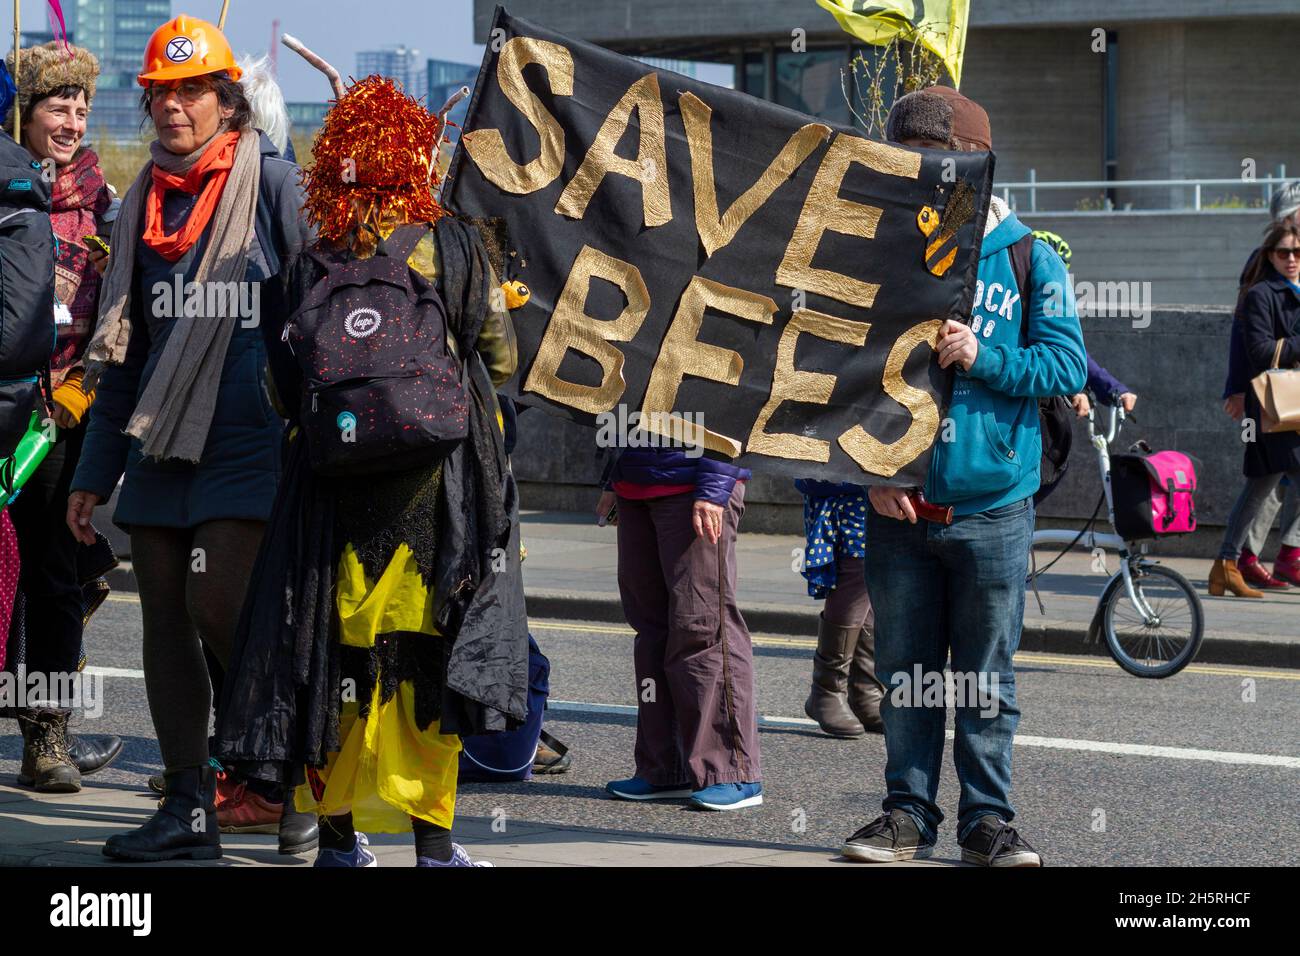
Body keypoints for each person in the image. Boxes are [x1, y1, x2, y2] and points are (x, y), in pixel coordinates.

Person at [212, 74, 528, 867]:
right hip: (439, 501)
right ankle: (435, 849)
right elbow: (500, 361)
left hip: (330, 506)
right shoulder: (453, 244)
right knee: (425, 663)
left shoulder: (308, 261)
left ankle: (341, 845)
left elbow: (279, 388)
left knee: (337, 665)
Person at [65, 14, 313, 861]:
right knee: (162, 613)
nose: (173, 108)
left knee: (222, 601)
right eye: (160, 95)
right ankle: (188, 807)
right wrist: (94, 476)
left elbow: (319, 319)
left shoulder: (275, 185)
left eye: (192, 91)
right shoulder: (140, 206)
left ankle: (284, 773)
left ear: (227, 101)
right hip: (159, 440)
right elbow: (121, 353)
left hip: (252, 437)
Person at [843, 85, 1085, 866]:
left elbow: (1066, 363)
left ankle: (988, 823)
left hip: (991, 510)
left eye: (940, 163)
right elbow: (834, 376)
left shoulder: (1028, 254)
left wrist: (986, 357)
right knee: (905, 678)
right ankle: (906, 817)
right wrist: (864, 474)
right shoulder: (877, 247)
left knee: (985, 682)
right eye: (912, 161)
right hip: (898, 510)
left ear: (979, 165)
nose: (925, 176)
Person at [2, 41, 123, 792]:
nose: (72, 118)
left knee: (52, 577)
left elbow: (120, 318)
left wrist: (85, 384)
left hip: (57, 419)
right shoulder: (8, 187)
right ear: (25, 112)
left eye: (82, 105)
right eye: (56, 104)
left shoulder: (107, 208)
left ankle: (46, 739)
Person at [598, 433, 763, 810]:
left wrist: (715, 485)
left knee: (704, 628)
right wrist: (614, 478)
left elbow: (734, 408)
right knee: (651, 630)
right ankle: (664, 769)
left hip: (694, 484)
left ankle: (732, 771)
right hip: (636, 482)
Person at [1213, 183, 1300, 594]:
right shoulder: (1263, 277)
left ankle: (1242, 559)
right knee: (1266, 480)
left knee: (1268, 480)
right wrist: (1235, 387)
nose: (1292, 257)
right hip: (1272, 396)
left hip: (1287, 395)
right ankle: (1246, 557)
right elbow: (1246, 338)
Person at [794, 477, 883, 737]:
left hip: (874, 484)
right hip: (842, 483)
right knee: (855, 575)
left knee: (873, 580)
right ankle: (827, 691)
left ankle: (865, 690)